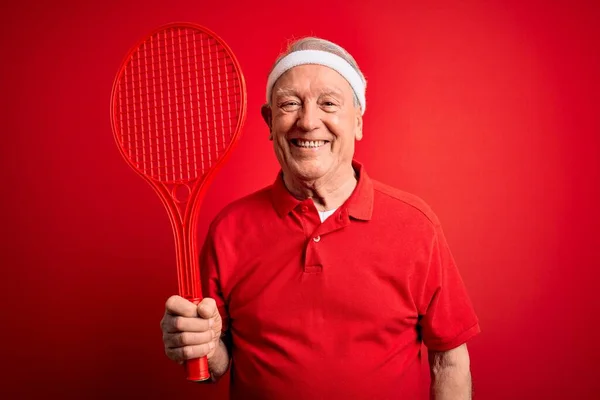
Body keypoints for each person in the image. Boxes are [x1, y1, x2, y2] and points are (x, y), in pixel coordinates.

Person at [160, 37, 480, 399]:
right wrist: (197, 344)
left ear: (357, 122)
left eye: (328, 103)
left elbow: (449, 362)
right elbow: (218, 362)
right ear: (269, 121)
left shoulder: (416, 226)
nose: (308, 122)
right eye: (290, 104)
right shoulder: (229, 230)